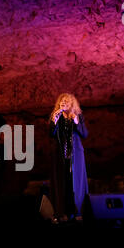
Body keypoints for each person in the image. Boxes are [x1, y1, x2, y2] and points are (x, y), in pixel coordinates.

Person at [48, 93, 88, 222]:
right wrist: (54, 121)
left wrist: (76, 122)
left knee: (75, 183)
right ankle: (62, 212)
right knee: (63, 182)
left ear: (71, 104)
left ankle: (78, 212)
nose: (63, 103)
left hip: (75, 154)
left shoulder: (77, 116)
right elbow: (51, 134)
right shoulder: (56, 116)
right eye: (62, 101)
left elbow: (84, 134)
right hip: (60, 155)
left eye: (66, 101)